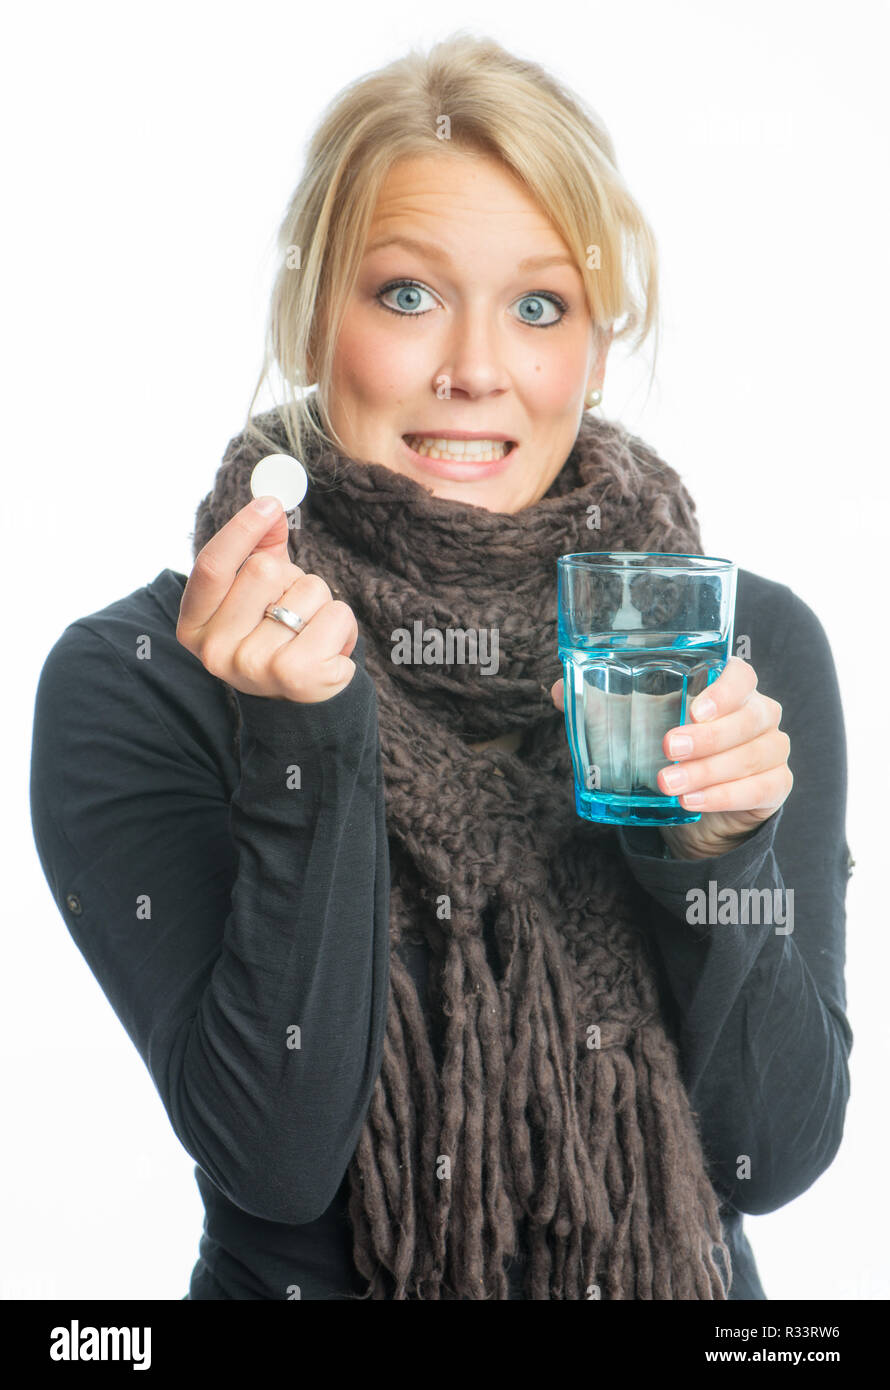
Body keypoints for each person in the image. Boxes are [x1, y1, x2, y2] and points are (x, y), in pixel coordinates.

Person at [29, 34, 852, 1300]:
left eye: (538, 305)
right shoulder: (140, 676)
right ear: (313, 318)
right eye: (407, 294)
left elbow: (766, 1155)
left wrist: (717, 856)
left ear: (591, 340)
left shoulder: (733, 646)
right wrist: (302, 739)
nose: (473, 367)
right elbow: (280, 1159)